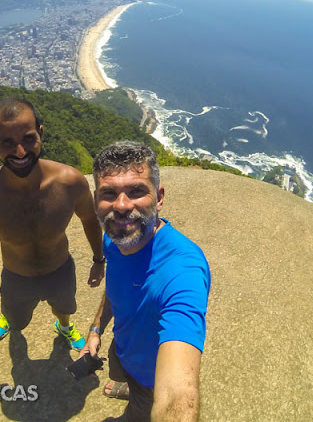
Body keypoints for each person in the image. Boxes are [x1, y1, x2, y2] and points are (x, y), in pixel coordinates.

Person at [80, 141, 211, 422]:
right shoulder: (115, 237)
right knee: (118, 371)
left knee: (138, 413)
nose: (122, 205)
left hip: (152, 378)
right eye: (109, 193)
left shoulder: (182, 270)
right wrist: (96, 330)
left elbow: (178, 393)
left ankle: (134, 399)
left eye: (137, 191)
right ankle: (127, 386)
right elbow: (116, 285)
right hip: (123, 348)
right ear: (95, 201)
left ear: (159, 197)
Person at [0, 96, 105, 351]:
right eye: (8, 142)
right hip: (16, 277)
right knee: (17, 319)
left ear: (40, 133)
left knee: (64, 308)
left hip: (60, 269)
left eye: (28, 139)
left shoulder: (70, 182)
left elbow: (90, 219)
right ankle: (9, 317)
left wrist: (99, 260)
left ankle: (63, 327)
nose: (20, 152)